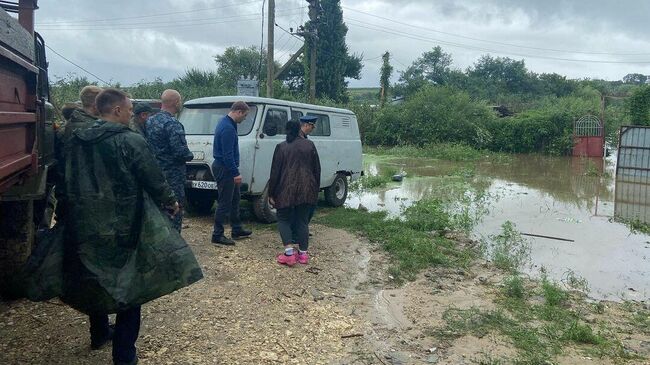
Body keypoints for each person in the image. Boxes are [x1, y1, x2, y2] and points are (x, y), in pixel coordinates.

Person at [60, 88, 203, 365]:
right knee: (132, 284)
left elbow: (65, 176)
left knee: (95, 275)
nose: (131, 114)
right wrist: (171, 201)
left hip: (87, 219)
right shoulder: (129, 140)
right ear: (116, 111)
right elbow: (152, 177)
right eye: (128, 109)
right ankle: (124, 355)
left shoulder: (75, 138)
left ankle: (99, 332)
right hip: (125, 221)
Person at [269, 116, 321, 266]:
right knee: (302, 222)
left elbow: (275, 173)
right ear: (299, 129)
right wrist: (315, 189)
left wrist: (271, 193)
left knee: (283, 220)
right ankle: (303, 256)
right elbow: (317, 170)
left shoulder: (281, 147)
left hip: (285, 190)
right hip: (307, 190)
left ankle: (289, 255)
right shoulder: (310, 145)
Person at [145, 90, 194, 232]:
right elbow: (180, 152)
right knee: (175, 209)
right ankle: (174, 243)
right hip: (172, 175)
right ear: (176, 102)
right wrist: (190, 155)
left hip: (154, 174)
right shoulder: (172, 124)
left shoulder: (149, 121)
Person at [211, 101, 253, 245]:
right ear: (239, 112)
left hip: (226, 167)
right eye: (245, 115)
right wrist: (235, 173)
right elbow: (227, 155)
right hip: (225, 168)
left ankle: (236, 228)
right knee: (224, 202)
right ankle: (217, 234)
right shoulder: (228, 128)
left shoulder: (226, 122)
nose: (245, 119)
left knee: (235, 199)